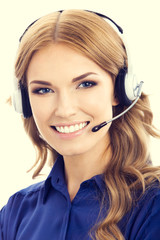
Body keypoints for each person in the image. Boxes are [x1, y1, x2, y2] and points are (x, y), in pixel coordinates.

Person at [1, 9, 160, 240]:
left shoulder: (151, 208)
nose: (64, 110)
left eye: (85, 84)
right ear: (24, 102)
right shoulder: (16, 213)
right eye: (43, 90)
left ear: (119, 90)